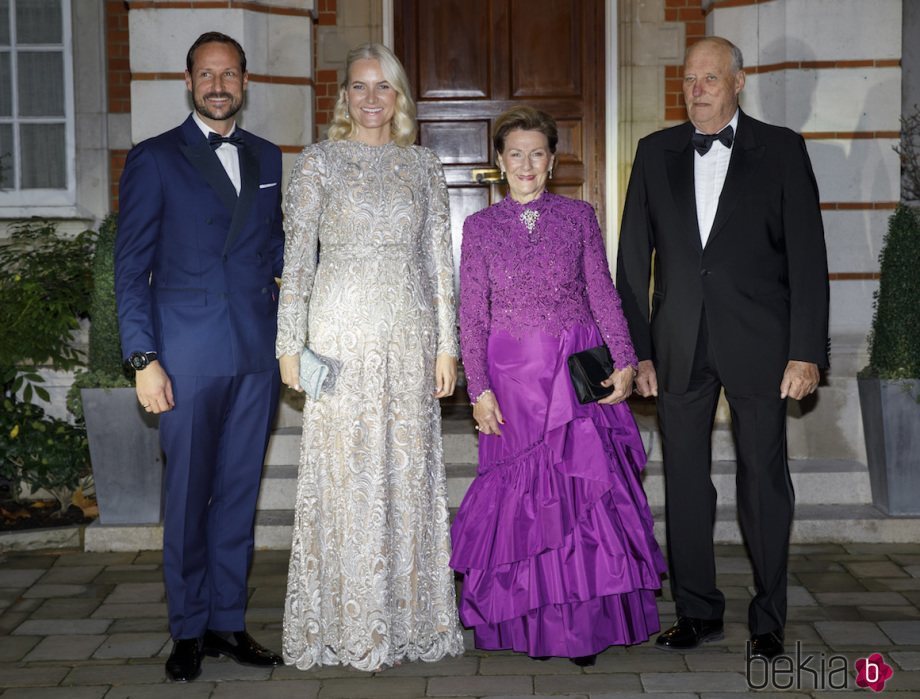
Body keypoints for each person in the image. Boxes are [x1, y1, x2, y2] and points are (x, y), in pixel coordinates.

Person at [615, 36, 829, 661]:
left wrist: (806, 350)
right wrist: (639, 351)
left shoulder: (782, 150)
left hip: (762, 343)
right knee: (684, 481)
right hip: (678, 343)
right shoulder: (654, 153)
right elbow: (632, 264)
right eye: (690, 79)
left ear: (739, 82)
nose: (698, 88)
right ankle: (697, 611)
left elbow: (809, 260)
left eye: (711, 77)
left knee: (763, 479)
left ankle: (768, 619)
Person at [450, 105, 666, 666]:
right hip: (510, 377)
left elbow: (603, 291)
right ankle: (528, 625)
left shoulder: (578, 216)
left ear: (551, 161)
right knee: (523, 503)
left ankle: (582, 629)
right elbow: (471, 315)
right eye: (515, 154)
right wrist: (479, 390)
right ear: (499, 162)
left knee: (582, 497)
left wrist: (623, 358)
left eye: (537, 153)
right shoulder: (479, 227)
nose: (526, 163)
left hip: (577, 371)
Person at [276, 43, 464, 671]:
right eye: (360, 87)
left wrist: (448, 346)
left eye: (384, 87)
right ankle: (347, 623)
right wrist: (289, 346)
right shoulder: (318, 164)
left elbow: (441, 263)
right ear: (345, 97)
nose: (372, 99)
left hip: (409, 337)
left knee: (405, 476)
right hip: (339, 338)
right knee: (345, 477)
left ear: (400, 97)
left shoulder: (423, 166)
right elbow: (298, 260)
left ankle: (410, 622)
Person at [114, 32, 285, 682]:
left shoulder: (267, 155)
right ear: (188, 82)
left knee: (239, 494)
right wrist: (142, 357)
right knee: (187, 496)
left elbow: (272, 248)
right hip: (183, 358)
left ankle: (226, 622)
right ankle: (186, 628)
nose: (219, 84)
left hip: (254, 355)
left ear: (245, 82)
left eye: (230, 73)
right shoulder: (155, 158)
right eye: (207, 74)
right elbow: (130, 268)